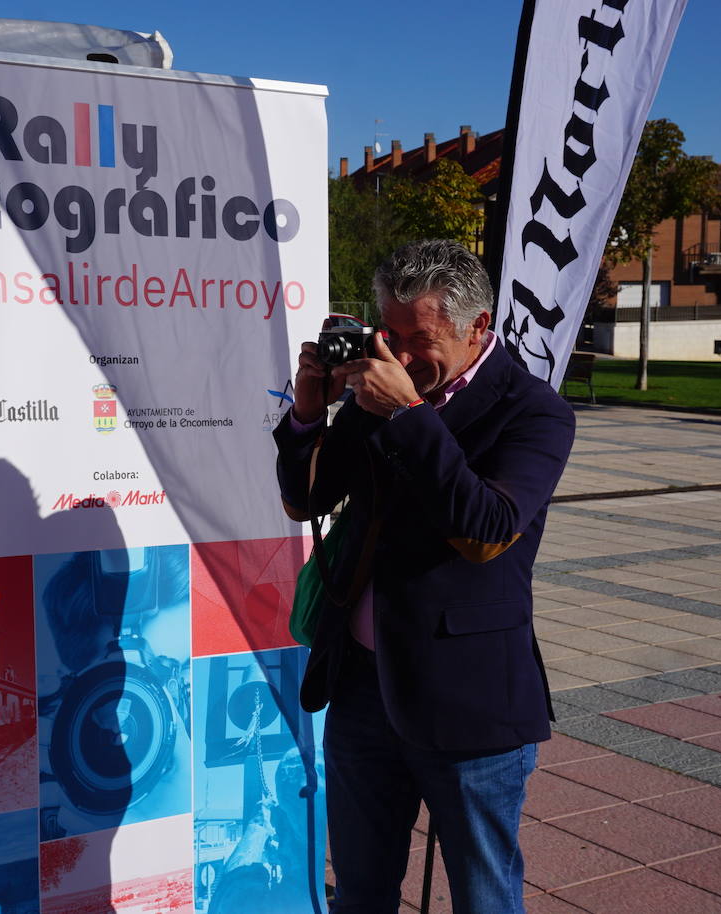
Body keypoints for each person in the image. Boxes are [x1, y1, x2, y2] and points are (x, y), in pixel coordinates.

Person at [274, 240, 574, 912]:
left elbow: (487, 531)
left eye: (421, 337)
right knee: (360, 886)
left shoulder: (534, 413)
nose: (402, 356)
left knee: (482, 892)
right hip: (361, 687)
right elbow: (307, 501)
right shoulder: (378, 394)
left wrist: (409, 415)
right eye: (390, 334)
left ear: (478, 328)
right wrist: (305, 412)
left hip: (465, 697)